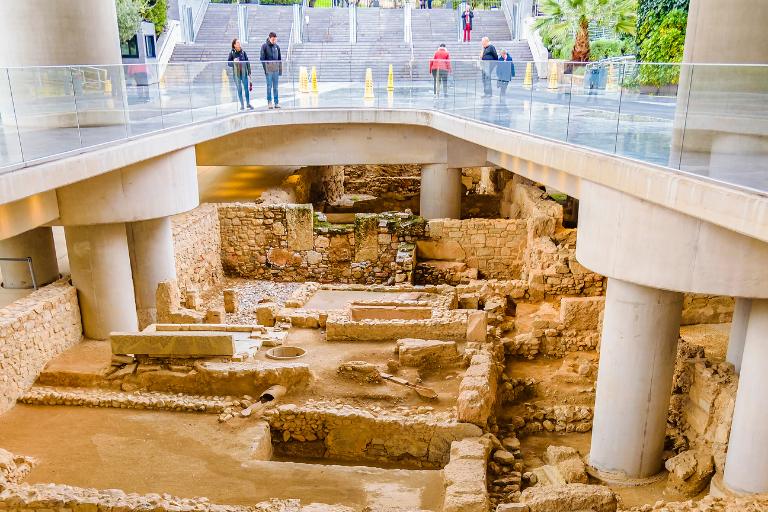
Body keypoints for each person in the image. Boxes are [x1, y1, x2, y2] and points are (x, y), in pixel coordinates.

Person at [227, 38, 253, 110]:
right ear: (234, 45)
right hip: (237, 74)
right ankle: (242, 105)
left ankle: (248, 104)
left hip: (244, 73)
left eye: (239, 42)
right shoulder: (232, 53)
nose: (239, 43)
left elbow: (247, 62)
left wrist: (249, 72)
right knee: (239, 89)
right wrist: (233, 62)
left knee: (246, 89)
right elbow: (229, 63)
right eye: (237, 42)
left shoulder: (243, 52)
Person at [260, 32, 282, 109]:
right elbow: (262, 59)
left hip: (276, 69)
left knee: (276, 87)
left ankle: (276, 102)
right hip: (269, 70)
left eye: (275, 39)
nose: (274, 41)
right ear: (269, 38)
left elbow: (279, 59)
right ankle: (269, 102)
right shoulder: (264, 46)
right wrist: (265, 69)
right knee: (269, 86)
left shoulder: (277, 47)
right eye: (273, 39)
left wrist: (280, 70)